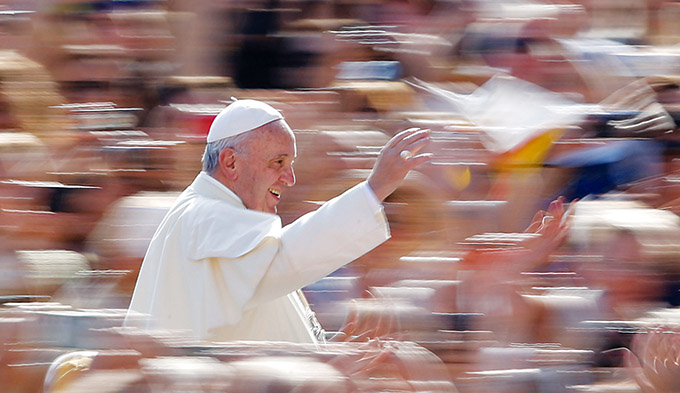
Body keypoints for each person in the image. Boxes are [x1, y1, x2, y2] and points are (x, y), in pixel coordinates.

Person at [124, 99, 431, 344]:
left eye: (291, 164)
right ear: (230, 162)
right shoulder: (203, 216)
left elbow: (256, 322)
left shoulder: (225, 218)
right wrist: (373, 190)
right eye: (278, 162)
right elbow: (284, 261)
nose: (290, 178)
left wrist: (328, 347)